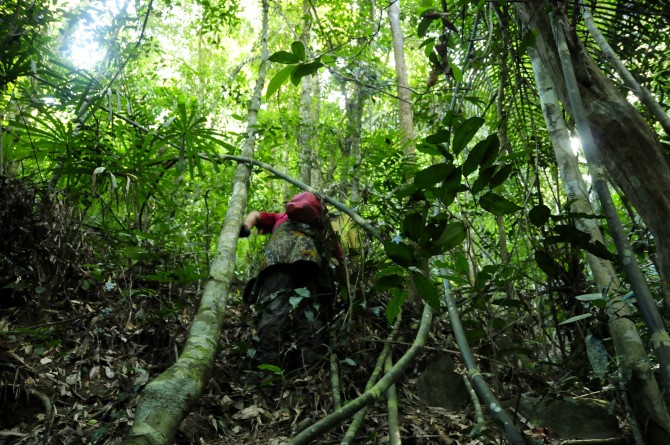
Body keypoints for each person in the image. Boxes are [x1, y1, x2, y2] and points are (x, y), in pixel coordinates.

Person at [240, 191, 343, 369]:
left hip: (276, 261)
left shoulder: (281, 217)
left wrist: (245, 227)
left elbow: (255, 215)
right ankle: (310, 366)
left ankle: (267, 366)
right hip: (308, 262)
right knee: (309, 310)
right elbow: (338, 254)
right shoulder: (322, 225)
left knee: (274, 309)